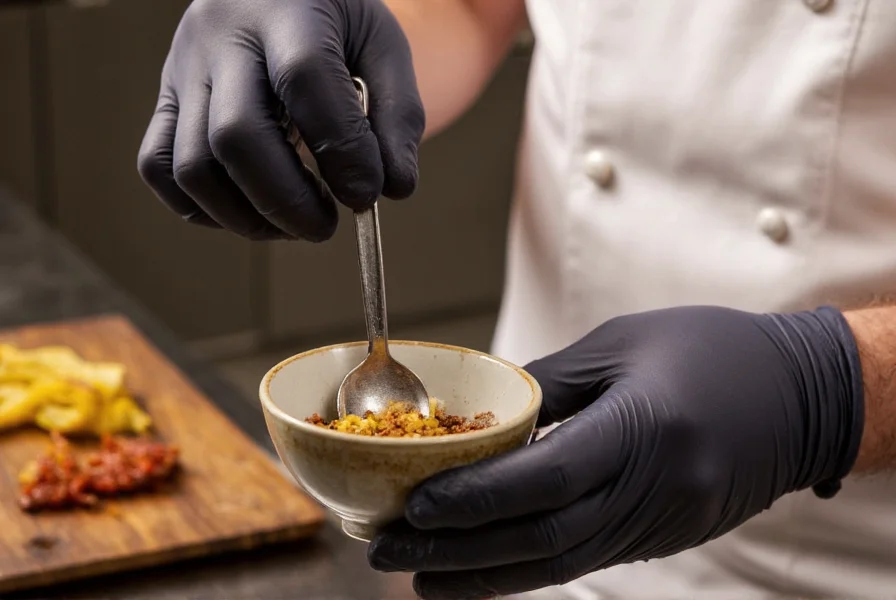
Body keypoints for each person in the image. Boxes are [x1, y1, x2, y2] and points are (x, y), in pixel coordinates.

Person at [136, 0, 896, 598]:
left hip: (846, 560)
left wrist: (829, 388)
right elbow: (469, 8)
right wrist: (324, 61)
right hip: (528, 518)